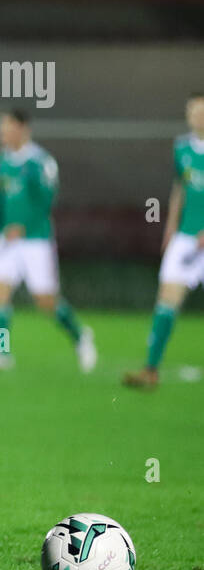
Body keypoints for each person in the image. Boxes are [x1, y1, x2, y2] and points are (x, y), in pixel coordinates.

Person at [0, 109, 96, 372]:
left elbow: (47, 201)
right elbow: (1, 200)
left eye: (6, 127)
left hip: (35, 240)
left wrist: (24, 226)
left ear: (22, 129)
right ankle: (2, 352)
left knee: (45, 300)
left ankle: (80, 335)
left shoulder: (40, 162)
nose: (1, 133)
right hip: (5, 239)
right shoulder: (3, 160)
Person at [123, 94, 204, 389]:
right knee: (167, 301)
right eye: (192, 112)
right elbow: (179, 188)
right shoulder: (182, 147)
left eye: (201, 112)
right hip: (186, 237)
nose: (196, 117)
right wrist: (170, 227)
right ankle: (151, 370)